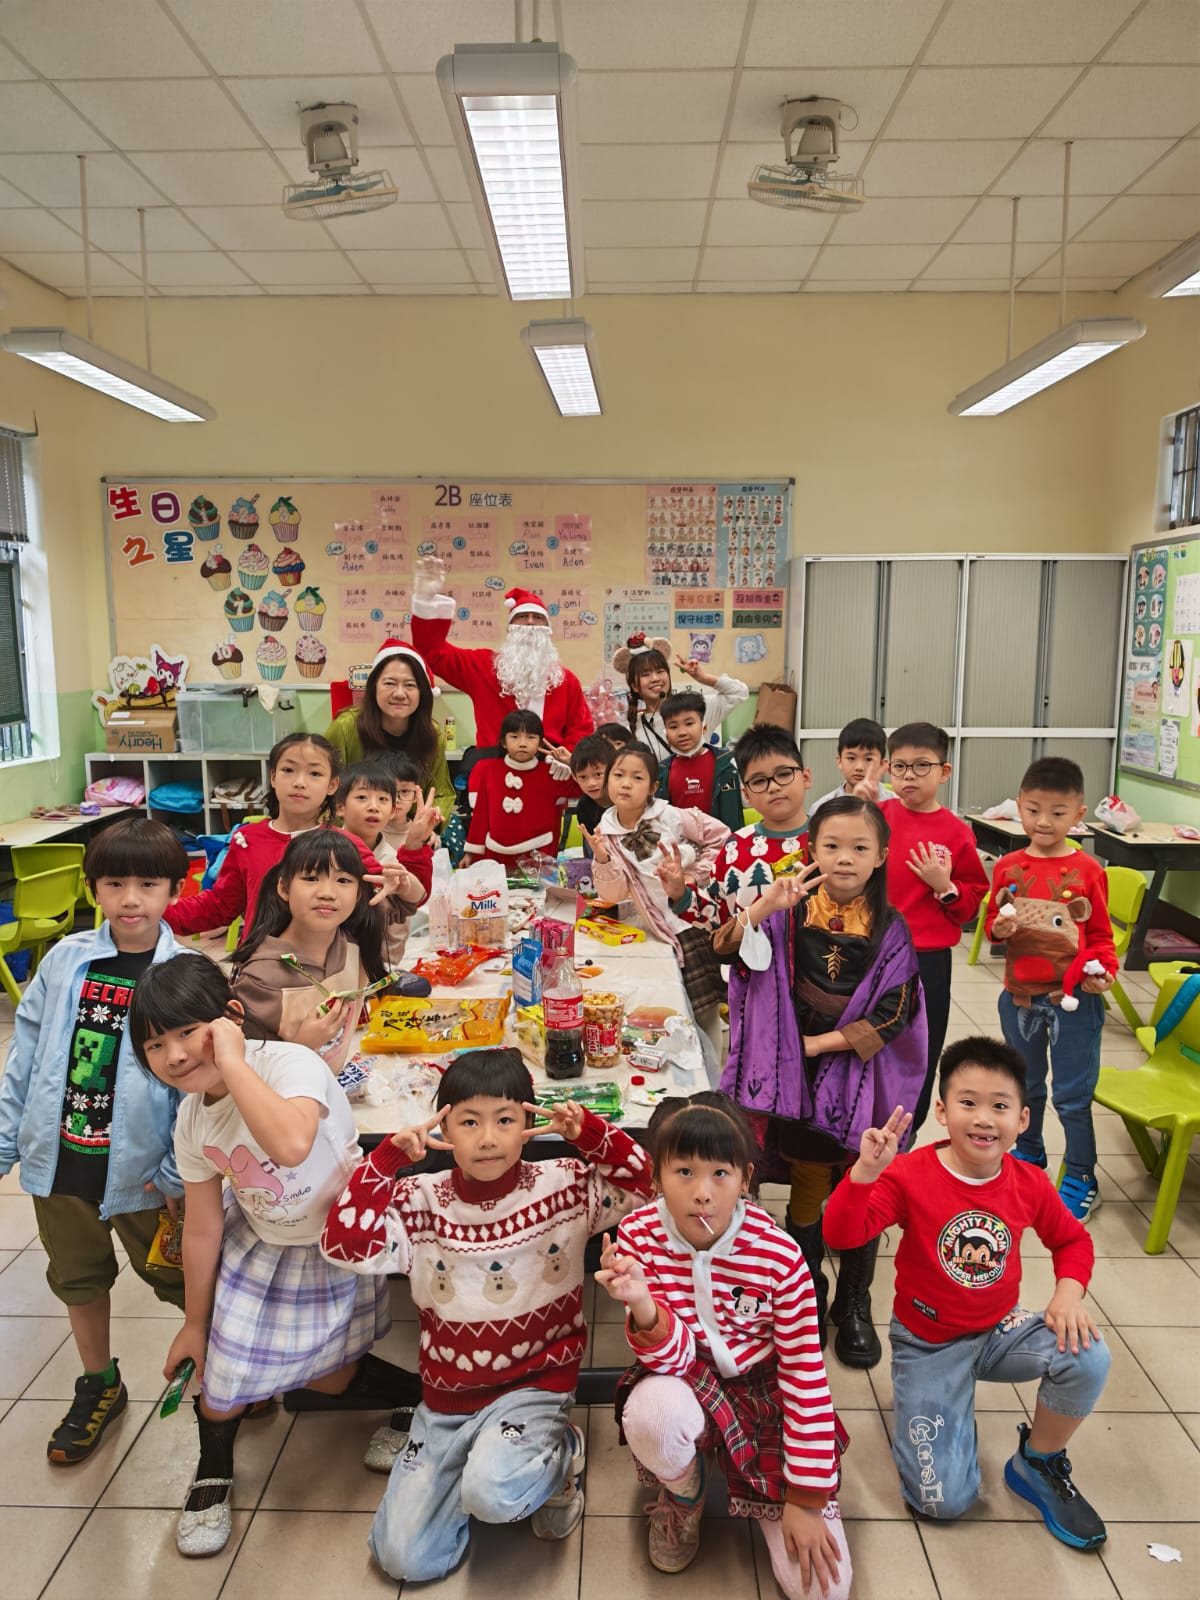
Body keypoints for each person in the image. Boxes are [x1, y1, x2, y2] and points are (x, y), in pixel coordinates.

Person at [319, 1048, 654, 1578]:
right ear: (444, 1127)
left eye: (505, 1120)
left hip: (535, 1387)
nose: (488, 1138)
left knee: (492, 1493)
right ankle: (478, 1466)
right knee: (402, 1558)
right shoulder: (418, 1199)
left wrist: (589, 1133)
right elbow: (342, 1245)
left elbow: (644, 1185)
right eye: (469, 1122)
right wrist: (383, 1162)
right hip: (446, 1402)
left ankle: (558, 1454)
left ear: (528, 1124)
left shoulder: (565, 1183)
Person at [130, 953, 413, 1558]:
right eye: (155, 1045)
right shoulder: (191, 1120)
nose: (175, 1055)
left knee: (327, 1373)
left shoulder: (290, 1064)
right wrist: (194, 1323)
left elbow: (289, 1144)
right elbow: (202, 1226)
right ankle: (212, 1473)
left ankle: (422, 1398)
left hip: (337, 1240)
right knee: (221, 1376)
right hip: (262, 1240)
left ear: (231, 1018)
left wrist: (233, 1061)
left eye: (188, 1032)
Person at [823, 1037, 1110, 1548]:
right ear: (941, 1110)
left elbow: (1072, 1240)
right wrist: (864, 1173)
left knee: (1087, 1352)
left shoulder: (1028, 1182)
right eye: (968, 1102)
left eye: (1000, 1106)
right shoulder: (908, 1174)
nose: (983, 1119)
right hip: (927, 1342)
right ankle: (939, 1406)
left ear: (1022, 1119)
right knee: (942, 1502)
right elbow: (842, 1235)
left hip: (1000, 1330)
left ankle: (1037, 1462)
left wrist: (1068, 1293)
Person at [597, 1097, 850, 1598]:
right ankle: (685, 1493)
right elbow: (670, 1361)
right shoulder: (638, 1235)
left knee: (825, 1591)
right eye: (684, 1172)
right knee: (653, 1413)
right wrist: (641, 1303)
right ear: (656, 1177)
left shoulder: (779, 1254)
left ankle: (772, 1489)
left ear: (745, 1178)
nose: (702, 1193)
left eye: (720, 1173)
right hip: (685, 1376)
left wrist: (805, 1499)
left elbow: (804, 1372)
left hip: (765, 1392)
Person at [0, 818, 190, 1465]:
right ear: (94, 889)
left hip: (145, 1170)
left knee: (181, 1278)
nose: (130, 899)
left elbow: (195, 1087)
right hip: (62, 1161)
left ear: (175, 890)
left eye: (148, 884)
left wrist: (175, 1171)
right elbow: (26, 1056)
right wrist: (7, 1140)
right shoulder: (65, 960)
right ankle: (99, 1383)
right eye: (114, 884)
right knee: (78, 1278)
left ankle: (225, 1369)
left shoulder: (183, 972)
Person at [719, 798, 927, 1368]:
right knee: (809, 1181)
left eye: (860, 847)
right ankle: (808, 1287)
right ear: (812, 850)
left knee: (863, 1182)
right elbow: (726, 949)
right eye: (832, 846)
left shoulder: (892, 928)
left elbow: (896, 1012)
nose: (844, 858)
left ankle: (855, 1301)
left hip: (862, 1071)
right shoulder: (788, 911)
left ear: (882, 856)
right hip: (798, 1080)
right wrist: (764, 906)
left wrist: (815, 1046)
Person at [983, 757, 1117, 1223]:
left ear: (1078, 814)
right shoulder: (1008, 867)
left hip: (1072, 1002)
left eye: (1057, 813)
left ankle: (1081, 1175)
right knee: (1025, 1086)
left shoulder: (1088, 870)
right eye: (1033, 810)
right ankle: (1029, 1153)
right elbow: (993, 926)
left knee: (1072, 1097)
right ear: (1019, 805)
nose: (1043, 821)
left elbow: (1100, 937)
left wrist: (1104, 971)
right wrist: (998, 928)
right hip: (1018, 998)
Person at [165, 733, 424, 938]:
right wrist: (159, 911)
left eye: (314, 773)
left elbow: (409, 896)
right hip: (261, 966)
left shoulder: (346, 844)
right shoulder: (247, 839)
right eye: (289, 770)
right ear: (273, 777)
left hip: (327, 971)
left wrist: (404, 882)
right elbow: (220, 906)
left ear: (332, 785)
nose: (300, 782)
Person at [585, 742, 730, 1064]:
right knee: (674, 1006)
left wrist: (695, 876)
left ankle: (709, 1072)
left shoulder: (670, 815)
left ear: (652, 787)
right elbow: (613, 895)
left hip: (689, 922)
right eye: (618, 775)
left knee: (704, 1008)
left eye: (637, 778)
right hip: (658, 928)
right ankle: (680, 1063)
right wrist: (602, 858)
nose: (626, 784)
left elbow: (721, 837)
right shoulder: (606, 833)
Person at [878, 722, 989, 1134]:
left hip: (928, 960)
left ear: (944, 771)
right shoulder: (877, 817)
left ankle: (907, 1129)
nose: (909, 776)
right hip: (874, 951)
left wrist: (945, 888)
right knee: (871, 1040)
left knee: (921, 1046)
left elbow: (971, 905)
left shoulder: (957, 832)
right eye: (900, 766)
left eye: (921, 766)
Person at [230, 829, 392, 1071]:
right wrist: (302, 1046)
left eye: (343, 880)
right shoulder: (260, 978)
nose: (327, 893)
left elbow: (406, 903)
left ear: (359, 894)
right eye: (311, 878)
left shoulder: (354, 945)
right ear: (284, 888)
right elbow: (243, 1070)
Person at [411, 574, 593, 751]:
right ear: (510, 627)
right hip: (493, 765)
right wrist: (425, 602)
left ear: (548, 629)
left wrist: (567, 758)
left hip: (547, 766)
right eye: (522, 616)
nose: (530, 622)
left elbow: (581, 730)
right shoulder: (484, 666)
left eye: (538, 618)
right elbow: (433, 652)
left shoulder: (565, 681)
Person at [690, 726, 811, 936]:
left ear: (806, 778)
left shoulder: (831, 841)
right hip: (750, 957)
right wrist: (680, 894)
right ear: (746, 794)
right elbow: (718, 920)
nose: (773, 787)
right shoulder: (734, 848)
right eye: (759, 781)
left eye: (784, 774)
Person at [325, 639, 455, 824]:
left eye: (410, 685)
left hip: (409, 831)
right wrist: (346, 835)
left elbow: (441, 793)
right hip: (354, 833)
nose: (399, 693)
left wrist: (428, 822)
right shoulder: (345, 728)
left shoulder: (431, 733)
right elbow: (325, 791)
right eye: (390, 683)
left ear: (422, 692)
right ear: (374, 687)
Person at [337, 760, 434, 973]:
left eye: (383, 799)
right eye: (362, 797)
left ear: (392, 811)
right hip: (336, 966)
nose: (373, 806)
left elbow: (417, 898)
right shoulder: (327, 850)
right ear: (340, 807)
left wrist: (403, 881)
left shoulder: (390, 859)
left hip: (382, 967)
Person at [613, 633, 748, 763]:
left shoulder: (696, 707)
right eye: (645, 674)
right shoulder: (632, 728)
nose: (655, 678)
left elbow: (739, 692)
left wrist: (703, 677)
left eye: (660, 671)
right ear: (634, 686)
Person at [464, 709, 575, 865]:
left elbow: (585, 788)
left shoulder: (552, 772)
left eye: (531, 737)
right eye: (514, 737)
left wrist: (572, 762)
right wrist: (471, 853)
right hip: (495, 854)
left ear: (540, 743)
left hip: (539, 854)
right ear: (504, 741)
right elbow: (480, 815)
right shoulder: (488, 770)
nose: (523, 743)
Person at [655, 689, 743, 828]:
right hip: (680, 841)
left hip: (726, 840)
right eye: (673, 726)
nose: (682, 732)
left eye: (689, 723)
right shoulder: (660, 773)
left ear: (704, 727)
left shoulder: (729, 763)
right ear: (666, 734)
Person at [810, 718, 894, 812]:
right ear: (839, 761)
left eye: (868, 759)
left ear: (882, 764)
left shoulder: (897, 805)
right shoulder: (821, 808)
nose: (859, 767)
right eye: (851, 758)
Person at [566, 732, 617, 854]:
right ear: (574, 777)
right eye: (583, 777)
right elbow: (592, 849)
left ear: (614, 769)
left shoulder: (627, 799)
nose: (591, 783)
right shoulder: (584, 806)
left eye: (598, 774)